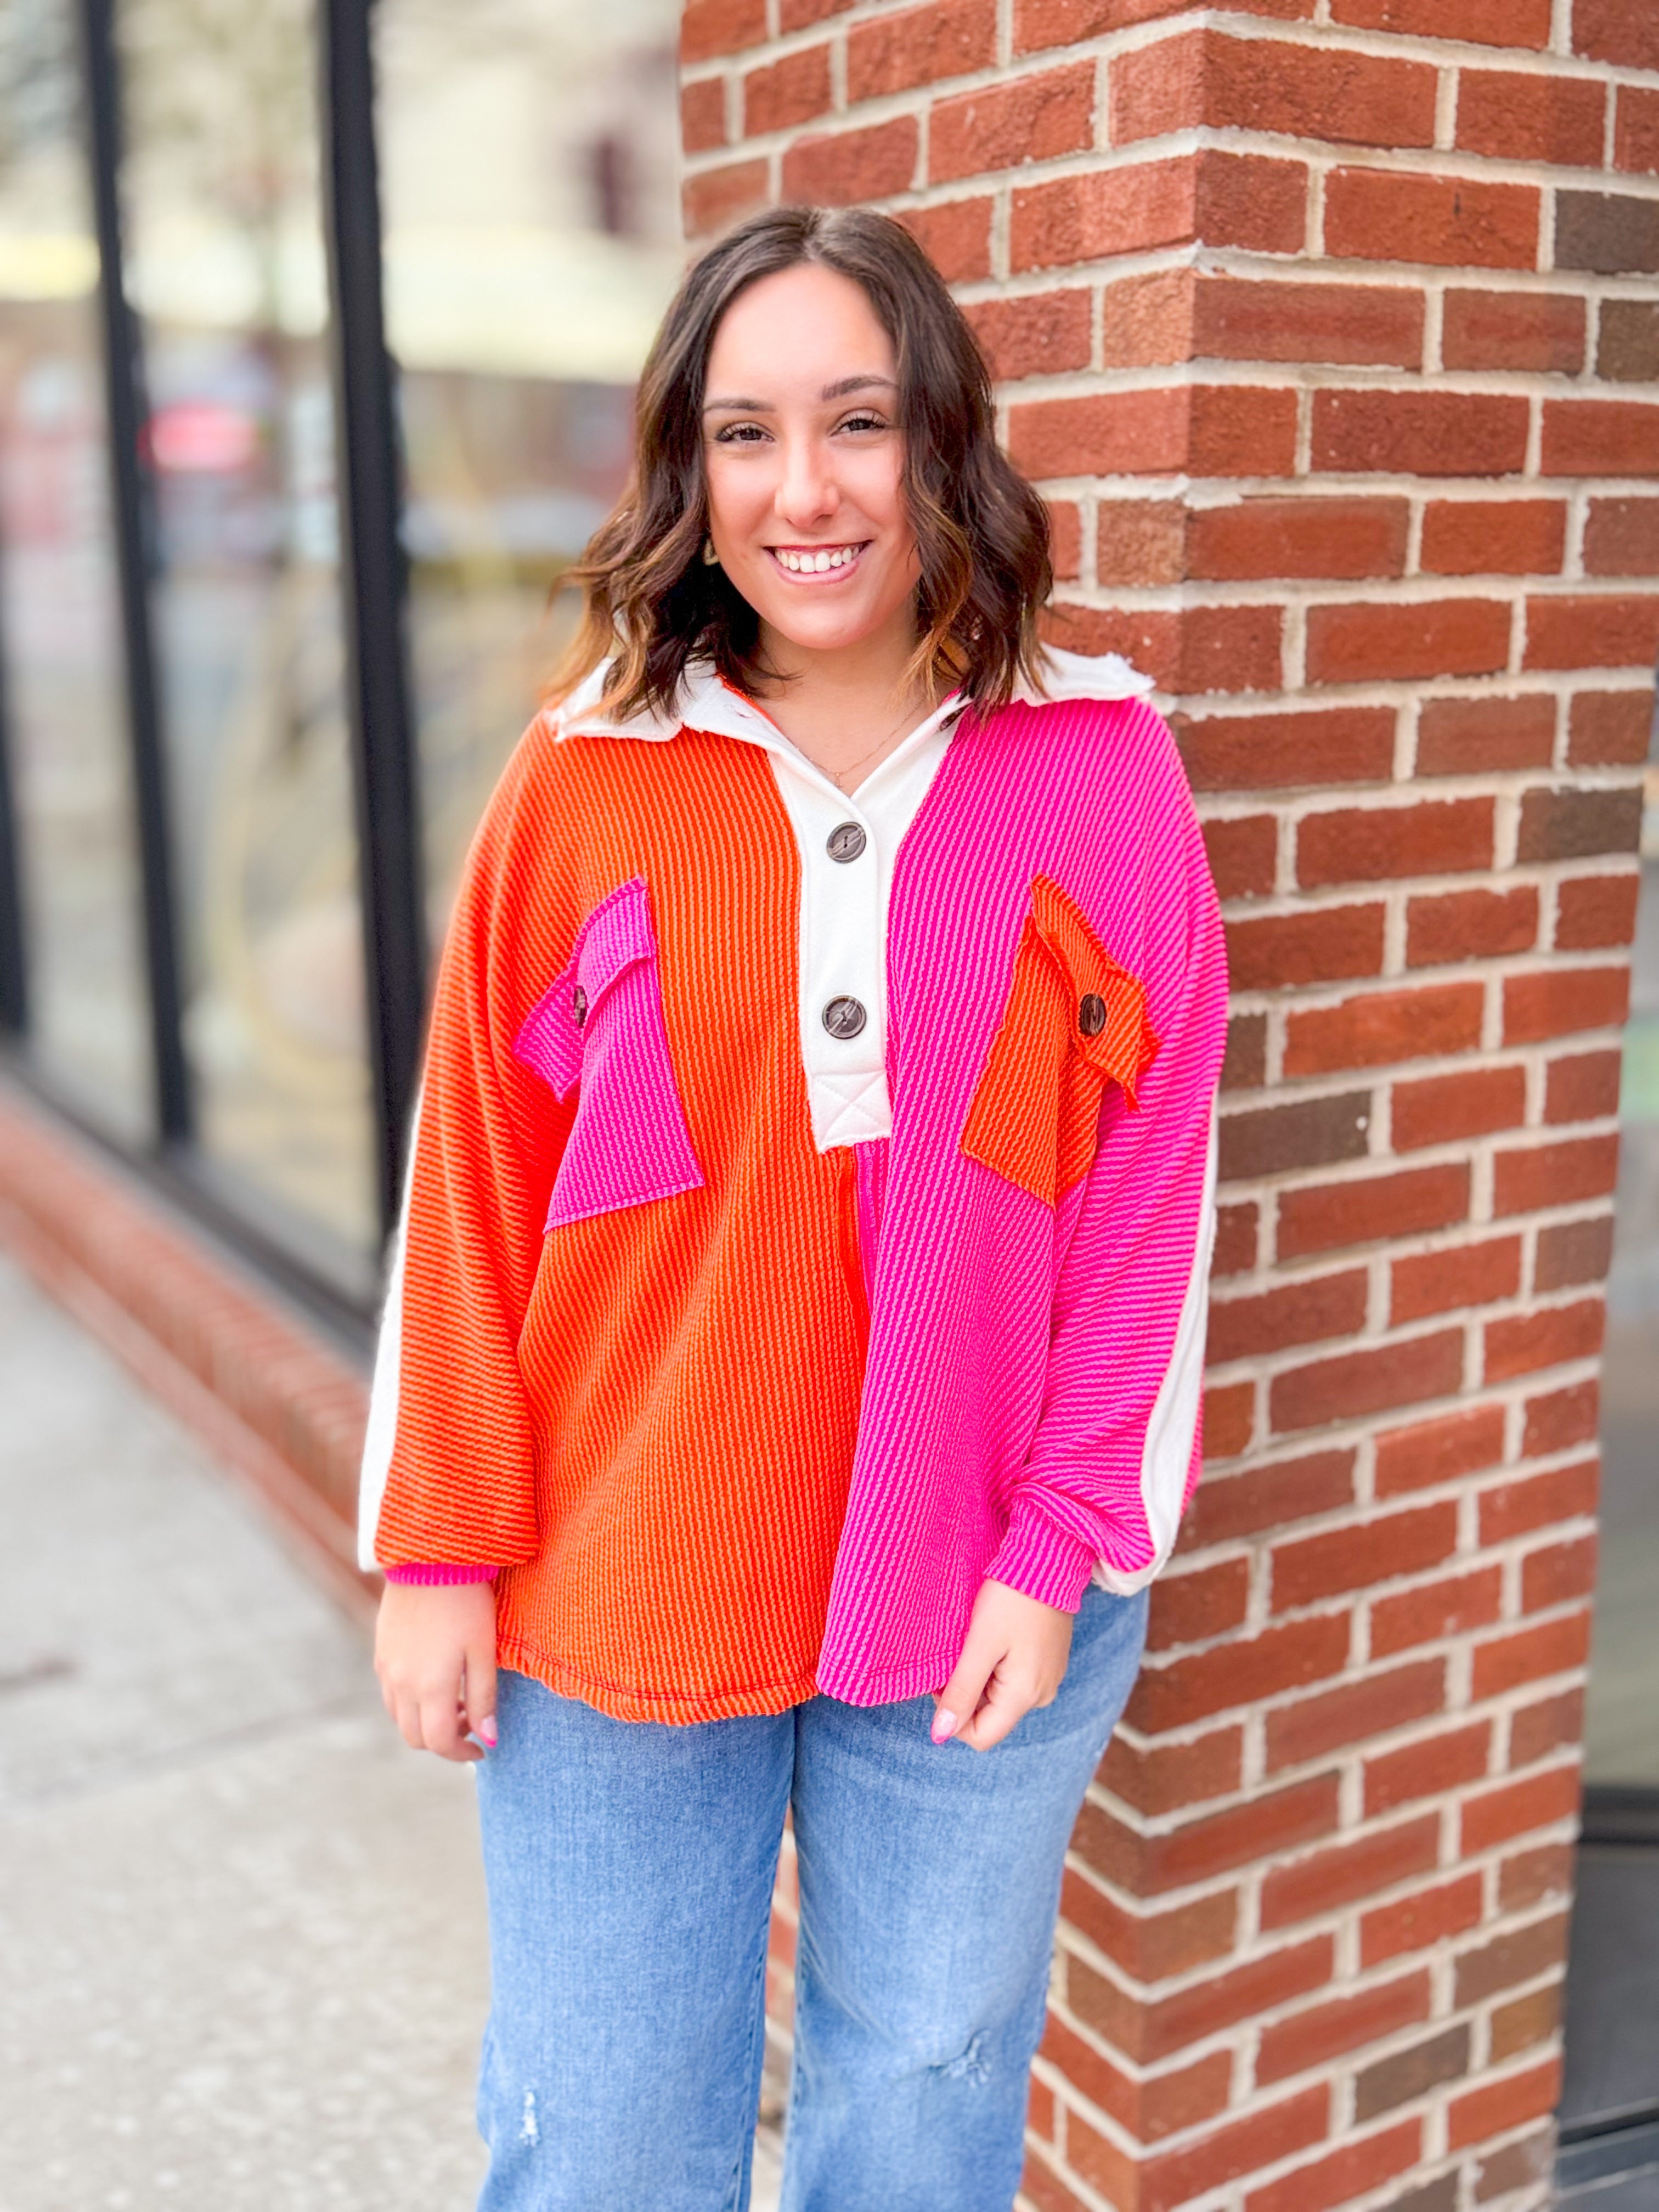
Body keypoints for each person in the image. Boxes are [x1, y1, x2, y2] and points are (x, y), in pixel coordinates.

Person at [360, 204, 1227, 2212]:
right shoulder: (585, 776)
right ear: (688, 470)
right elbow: (472, 1184)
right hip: (623, 1565)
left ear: (946, 438)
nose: (806, 490)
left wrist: (1063, 1546)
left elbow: (1141, 1200)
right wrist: (439, 1548)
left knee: (920, 2108)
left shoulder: (1099, 765)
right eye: (745, 434)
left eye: (860, 420)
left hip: (983, 1583)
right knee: (601, 2133)